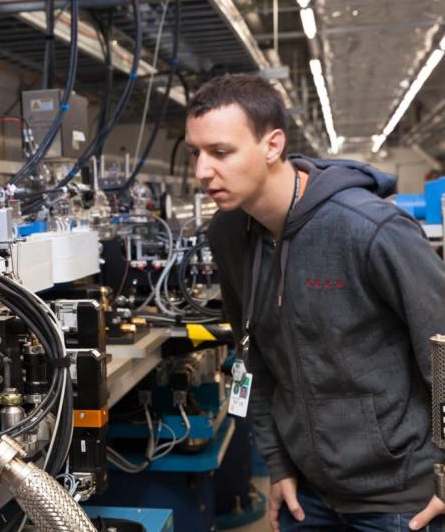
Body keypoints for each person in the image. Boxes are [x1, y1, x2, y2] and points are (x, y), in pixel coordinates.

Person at [185, 74, 445, 532]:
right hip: (308, 495)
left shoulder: (369, 230)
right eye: (196, 153)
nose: (203, 171)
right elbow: (255, 358)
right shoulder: (227, 235)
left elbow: (442, 352)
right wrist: (278, 463)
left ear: (272, 146)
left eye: (221, 152)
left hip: (401, 500)